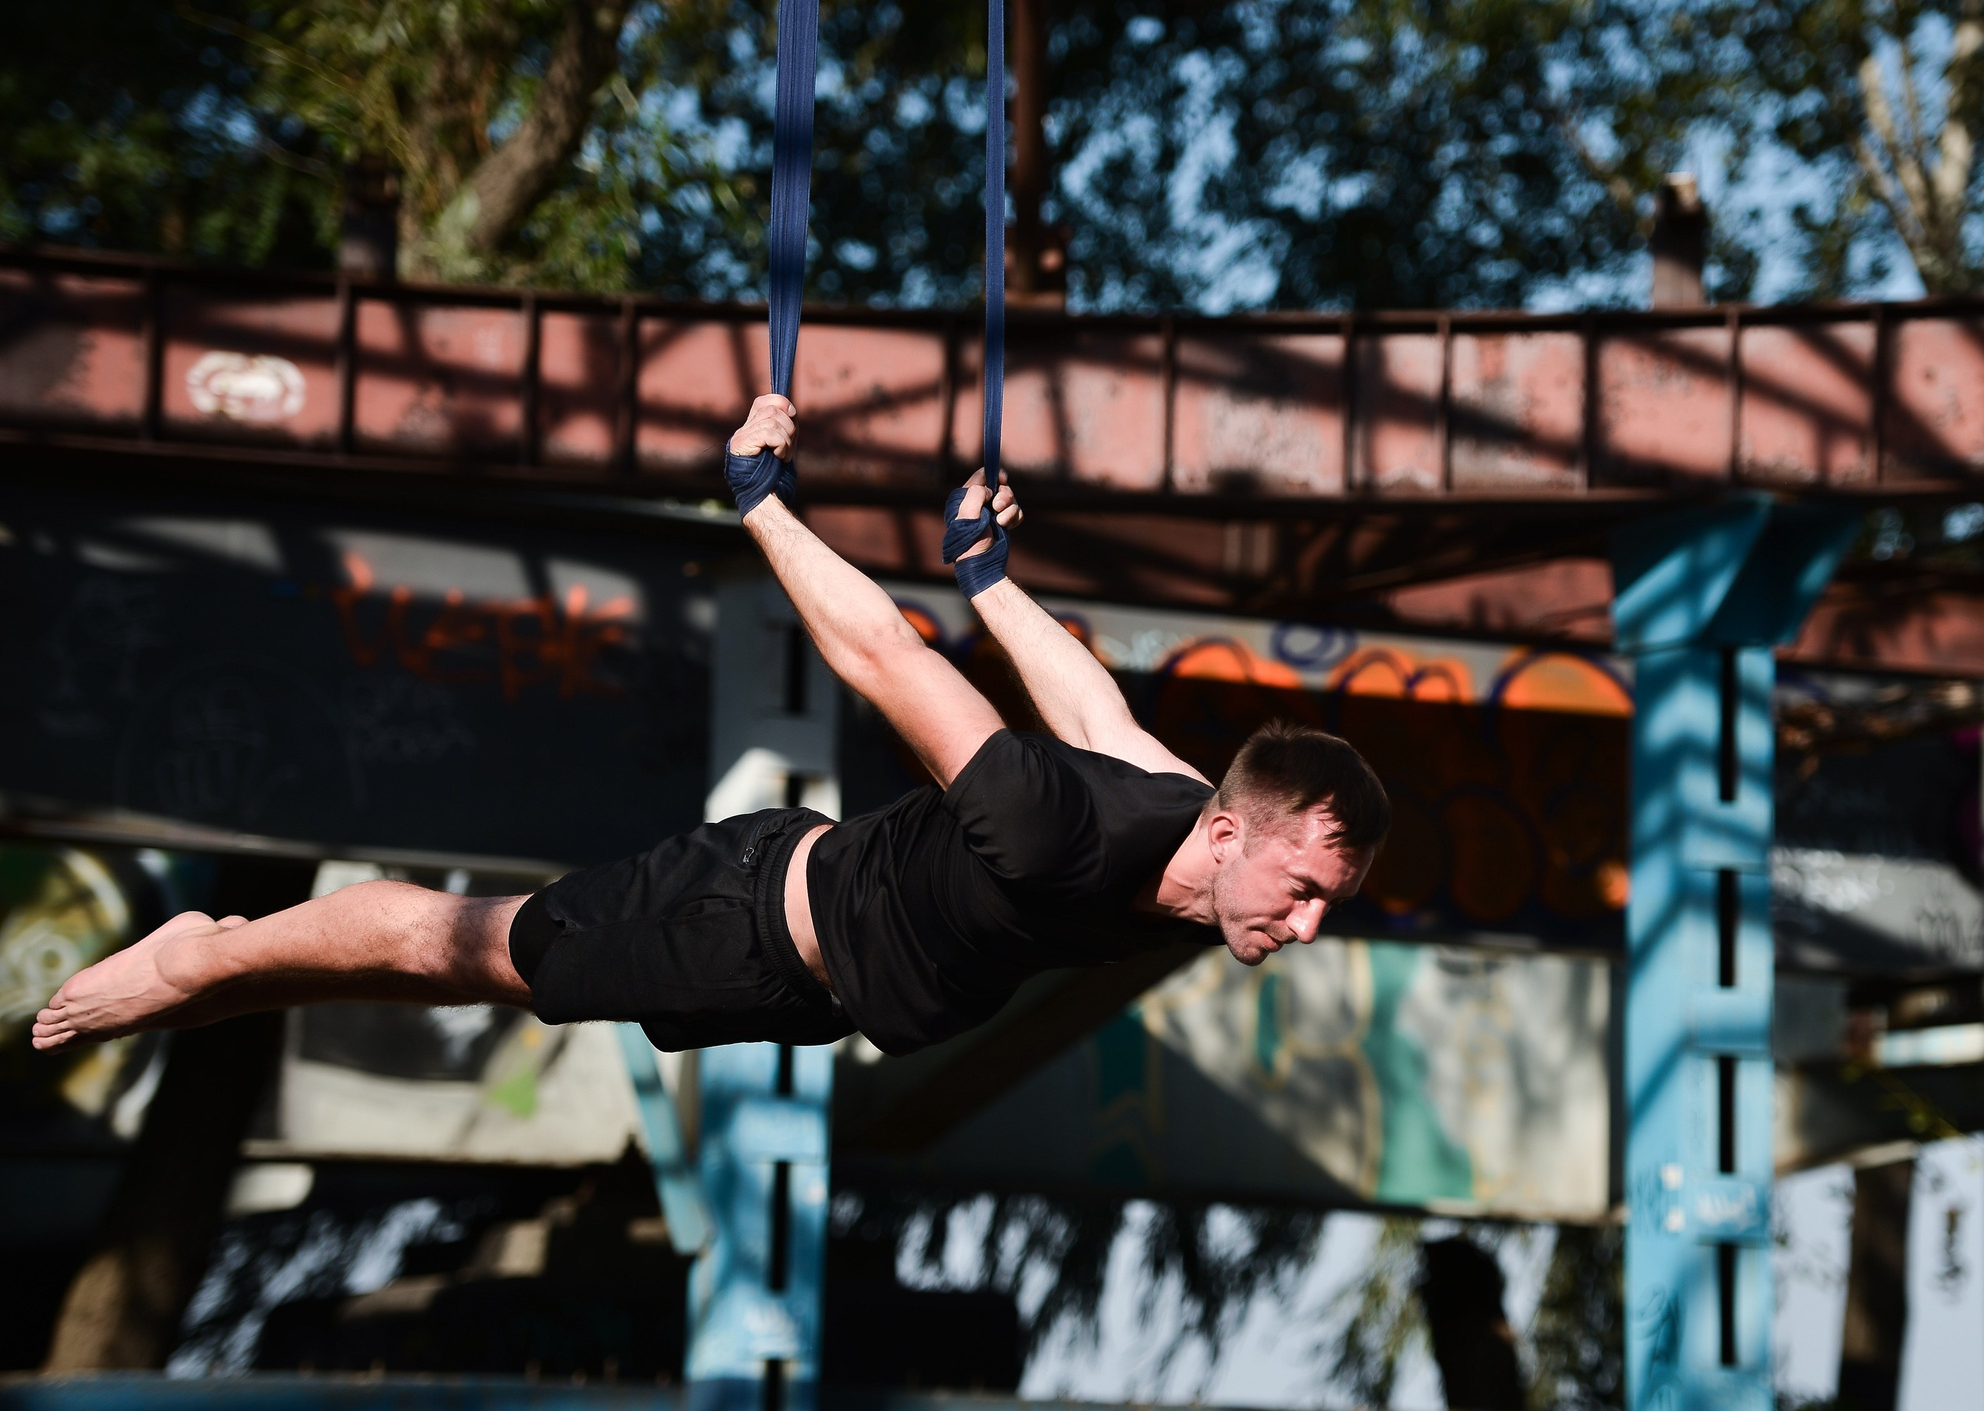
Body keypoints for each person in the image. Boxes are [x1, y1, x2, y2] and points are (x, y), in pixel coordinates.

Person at [32, 393, 1389, 1059]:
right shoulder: (1051, 820)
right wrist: (760, 498)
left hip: (797, 984)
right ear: (1233, 830)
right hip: (736, 926)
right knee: (456, 944)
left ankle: (216, 969)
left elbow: (1094, 701)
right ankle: (202, 957)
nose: (1311, 920)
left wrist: (989, 576)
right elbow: (875, 652)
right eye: (1311, 885)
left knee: (469, 977)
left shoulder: (1175, 815)